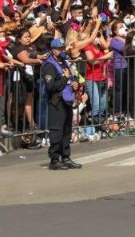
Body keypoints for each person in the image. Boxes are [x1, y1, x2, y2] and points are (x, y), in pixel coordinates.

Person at [41, 37, 81, 170]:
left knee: (67, 130)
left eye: (63, 48)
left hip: (67, 99)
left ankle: (66, 156)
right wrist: (64, 79)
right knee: (56, 130)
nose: (62, 50)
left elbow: (70, 77)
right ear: (53, 50)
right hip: (56, 101)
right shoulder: (49, 65)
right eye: (59, 48)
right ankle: (54, 159)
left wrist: (74, 83)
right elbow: (51, 86)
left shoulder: (64, 62)